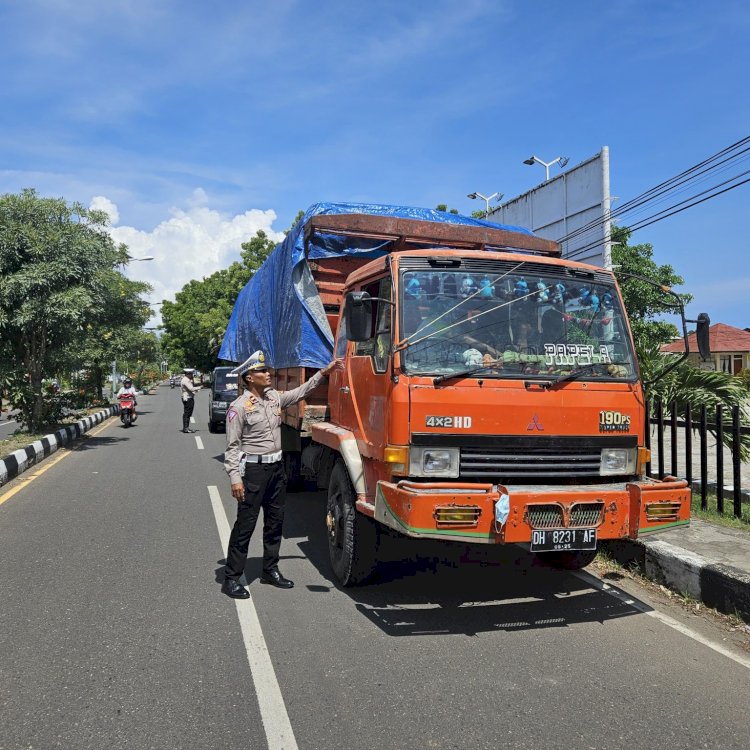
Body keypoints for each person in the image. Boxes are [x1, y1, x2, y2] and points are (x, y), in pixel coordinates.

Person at [222, 350, 340, 598]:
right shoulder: (239, 407)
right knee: (245, 525)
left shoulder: (274, 398)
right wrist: (235, 478)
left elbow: (301, 392)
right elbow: (232, 447)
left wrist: (323, 373)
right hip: (253, 471)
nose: (268, 374)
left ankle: (270, 570)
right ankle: (232, 578)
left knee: (275, 523)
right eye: (262, 371)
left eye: (267, 370)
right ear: (249, 377)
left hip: (277, 469)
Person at [180, 367, 200, 433]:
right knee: (187, 413)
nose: (192, 375)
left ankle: (186, 427)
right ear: (188, 374)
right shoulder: (186, 380)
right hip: (188, 398)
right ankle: (186, 428)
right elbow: (191, 388)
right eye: (191, 374)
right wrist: (200, 387)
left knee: (187, 413)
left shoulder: (187, 379)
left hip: (188, 397)